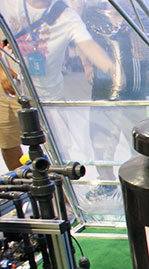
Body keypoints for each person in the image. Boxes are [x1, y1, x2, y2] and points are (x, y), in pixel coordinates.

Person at [0, 0, 114, 161]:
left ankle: (54, 177)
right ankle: (18, 178)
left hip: (46, 95)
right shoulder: (9, 4)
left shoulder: (66, 16)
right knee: (7, 142)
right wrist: (2, 71)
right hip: (9, 89)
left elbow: (88, 45)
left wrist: (112, 69)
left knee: (57, 151)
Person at [81, 0, 149, 199]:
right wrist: (87, 65)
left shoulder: (141, 18)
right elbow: (83, 41)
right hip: (104, 89)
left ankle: (142, 184)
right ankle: (106, 183)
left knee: (136, 140)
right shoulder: (93, 16)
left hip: (135, 91)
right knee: (101, 139)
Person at [0, 48, 22, 171]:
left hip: (43, 82)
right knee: (8, 139)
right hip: (7, 81)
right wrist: (2, 69)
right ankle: (21, 180)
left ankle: (59, 180)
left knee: (51, 138)